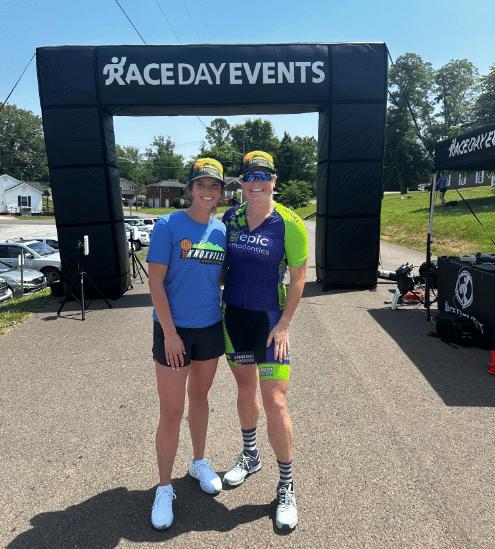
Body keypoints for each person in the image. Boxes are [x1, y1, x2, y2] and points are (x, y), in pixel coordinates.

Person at [221, 151, 308, 530]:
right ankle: (250, 455)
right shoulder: (231, 218)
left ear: (274, 180)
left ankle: (287, 486)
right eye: (249, 175)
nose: (256, 181)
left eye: (263, 175)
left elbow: (300, 277)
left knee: (275, 402)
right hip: (234, 319)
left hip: (270, 322)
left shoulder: (289, 223)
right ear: (241, 182)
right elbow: (222, 266)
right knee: (245, 391)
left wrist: (286, 323)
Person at [146, 158, 227, 529]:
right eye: (201, 185)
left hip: (210, 327)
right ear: (190, 188)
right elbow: (154, 284)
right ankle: (164, 488)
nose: (207, 192)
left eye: (214, 186)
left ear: (220, 192)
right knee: (171, 411)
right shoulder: (168, 224)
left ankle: (198, 461)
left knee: (201, 397)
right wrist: (172, 333)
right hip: (173, 330)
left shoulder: (222, 230)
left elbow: (220, 278)